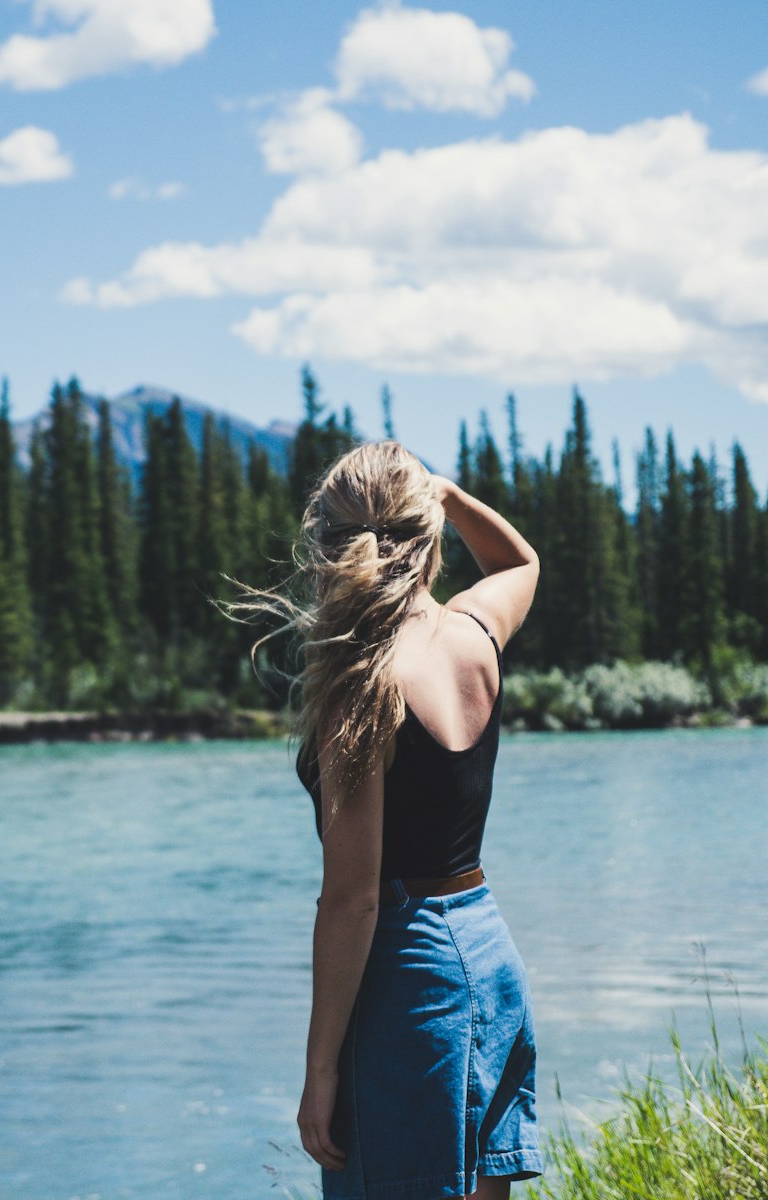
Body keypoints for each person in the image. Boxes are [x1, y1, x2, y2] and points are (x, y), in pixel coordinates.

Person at [228, 440, 542, 1200]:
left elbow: (354, 899)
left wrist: (320, 1070)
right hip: (486, 951)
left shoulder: (361, 684)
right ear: (428, 534)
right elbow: (520, 565)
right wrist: (453, 496)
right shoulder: (473, 634)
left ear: (326, 548)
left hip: (410, 983)